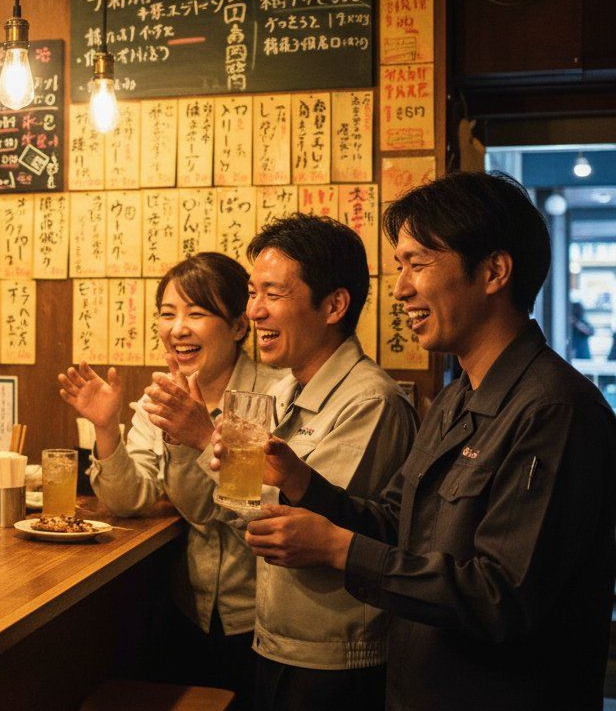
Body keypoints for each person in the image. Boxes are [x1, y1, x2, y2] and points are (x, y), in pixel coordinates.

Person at [236, 172, 616, 710]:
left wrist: (338, 550)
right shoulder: (456, 397)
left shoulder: (555, 410)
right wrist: (303, 484)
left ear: (493, 271)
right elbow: (396, 526)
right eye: (399, 267)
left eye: (418, 264)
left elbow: (500, 596)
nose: (400, 289)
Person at [58, 253, 287, 705]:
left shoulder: (274, 395)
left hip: (265, 617)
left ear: (239, 326)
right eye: (167, 314)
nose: (178, 328)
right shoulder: (161, 398)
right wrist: (107, 430)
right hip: (189, 607)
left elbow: (220, 508)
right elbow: (130, 499)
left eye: (196, 314)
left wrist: (193, 436)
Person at [234, 214, 417, 711]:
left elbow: (301, 534)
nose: (255, 311)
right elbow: (241, 515)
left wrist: (212, 447)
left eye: (272, 294)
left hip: (335, 656)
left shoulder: (372, 402)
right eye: (253, 293)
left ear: (334, 305)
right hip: (275, 636)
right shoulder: (281, 388)